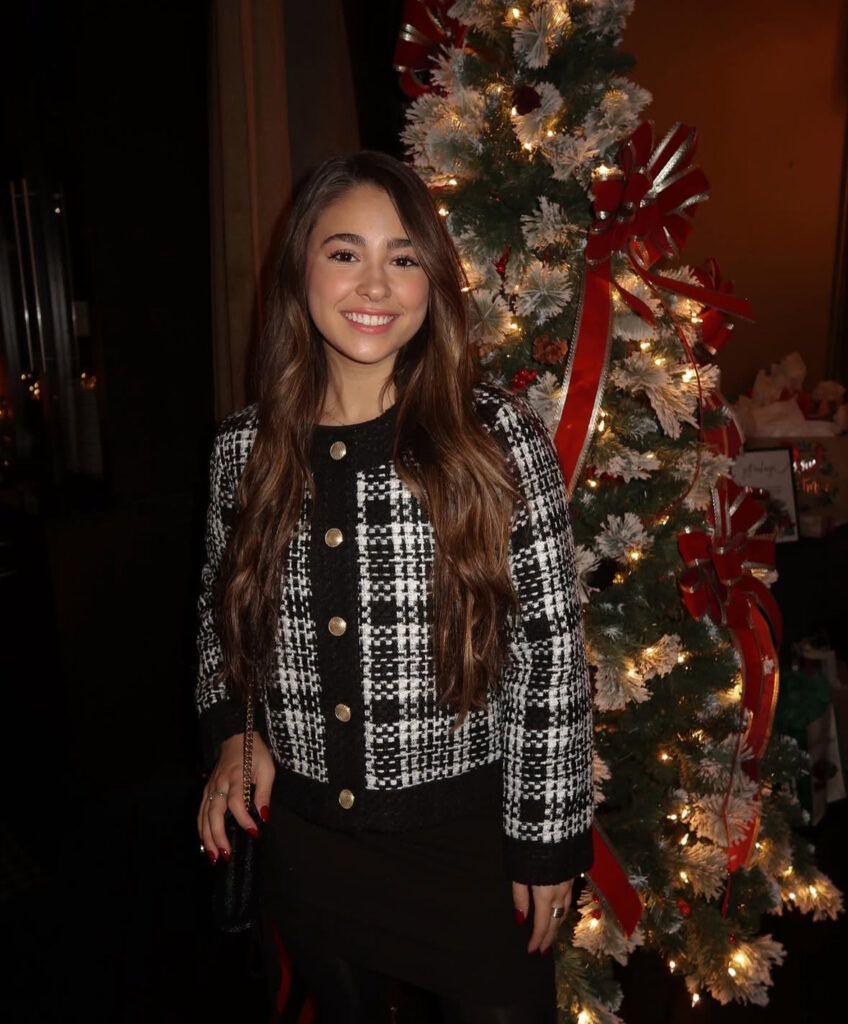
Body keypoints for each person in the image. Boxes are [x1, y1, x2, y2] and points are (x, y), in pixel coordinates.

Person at [195, 151, 593, 1023]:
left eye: (403, 257)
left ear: (432, 281)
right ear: (299, 267)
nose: (374, 284)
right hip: (310, 845)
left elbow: (550, 657)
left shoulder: (495, 439)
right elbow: (223, 624)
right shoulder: (242, 450)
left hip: (471, 850)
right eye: (345, 252)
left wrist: (546, 837)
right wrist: (235, 735)